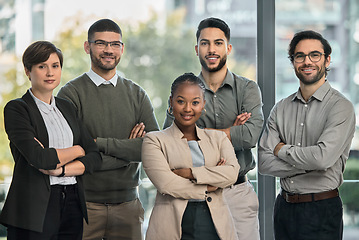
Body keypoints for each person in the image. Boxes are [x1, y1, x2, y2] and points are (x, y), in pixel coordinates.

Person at [57, 19, 159, 240]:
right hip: (83, 206)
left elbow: (153, 148)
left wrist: (98, 144)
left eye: (115, 44)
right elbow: (71, 153)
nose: (108, 50)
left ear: (122, 48)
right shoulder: (70, 94)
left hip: (128, 207)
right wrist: (128, 153)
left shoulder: (137, 94)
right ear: (87, 47)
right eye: (101, 43)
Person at [163, 17, 263, 240]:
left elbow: (250, 136)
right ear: (197, 48)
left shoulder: (247, 89)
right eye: (205, 43)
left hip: (237, 193)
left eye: (218, 43)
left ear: (228, 47)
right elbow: (171, 145)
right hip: (198, 194)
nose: (211, 49)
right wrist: (230, 134)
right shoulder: (182, 91)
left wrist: (197, 136)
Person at [258, 30, 356, 240]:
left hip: (322, 209)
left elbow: (322, 159)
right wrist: (311, 162)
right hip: (283, 208)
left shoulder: (341, 107)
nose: (307, 61)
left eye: (315, 55)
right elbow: (265, 163)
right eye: (299, 56)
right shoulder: (280, 108)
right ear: (293, 62)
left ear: (327, 59)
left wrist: (282, 150)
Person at [0, 41, 102, 239]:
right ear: (28, 71)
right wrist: (78, 150)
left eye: (55, 66)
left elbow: (95, 157)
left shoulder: (67, 108)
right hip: (34, 207)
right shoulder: (17, 109)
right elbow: (41, 159)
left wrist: (60, 168)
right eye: (41, 66)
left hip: (72, 201)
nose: (50, 73)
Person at [142, 72, 240, 240]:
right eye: (181, 101)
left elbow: (231, 174)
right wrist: (209, 185)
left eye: (195, 102)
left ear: (203, 105)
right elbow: (167, 184)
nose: (188, 109)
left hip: (214, 225)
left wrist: (190, 173)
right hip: (173, 225)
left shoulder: (218, 138)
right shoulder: (154, 140)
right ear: (171, 102)